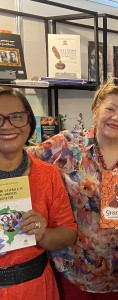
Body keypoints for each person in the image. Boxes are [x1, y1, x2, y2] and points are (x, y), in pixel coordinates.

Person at [28, 78, 118, 299]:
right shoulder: (66, 145)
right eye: (110, 109)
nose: (117, 118)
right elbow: (24, 161)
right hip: (74, 270)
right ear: (95, 111)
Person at [0, 87, 77, 299]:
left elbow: (69, 232)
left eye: (17, 117)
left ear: (29, 122)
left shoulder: (48, 174)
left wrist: (43, 233)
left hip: (35, 288)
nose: (7, 126)